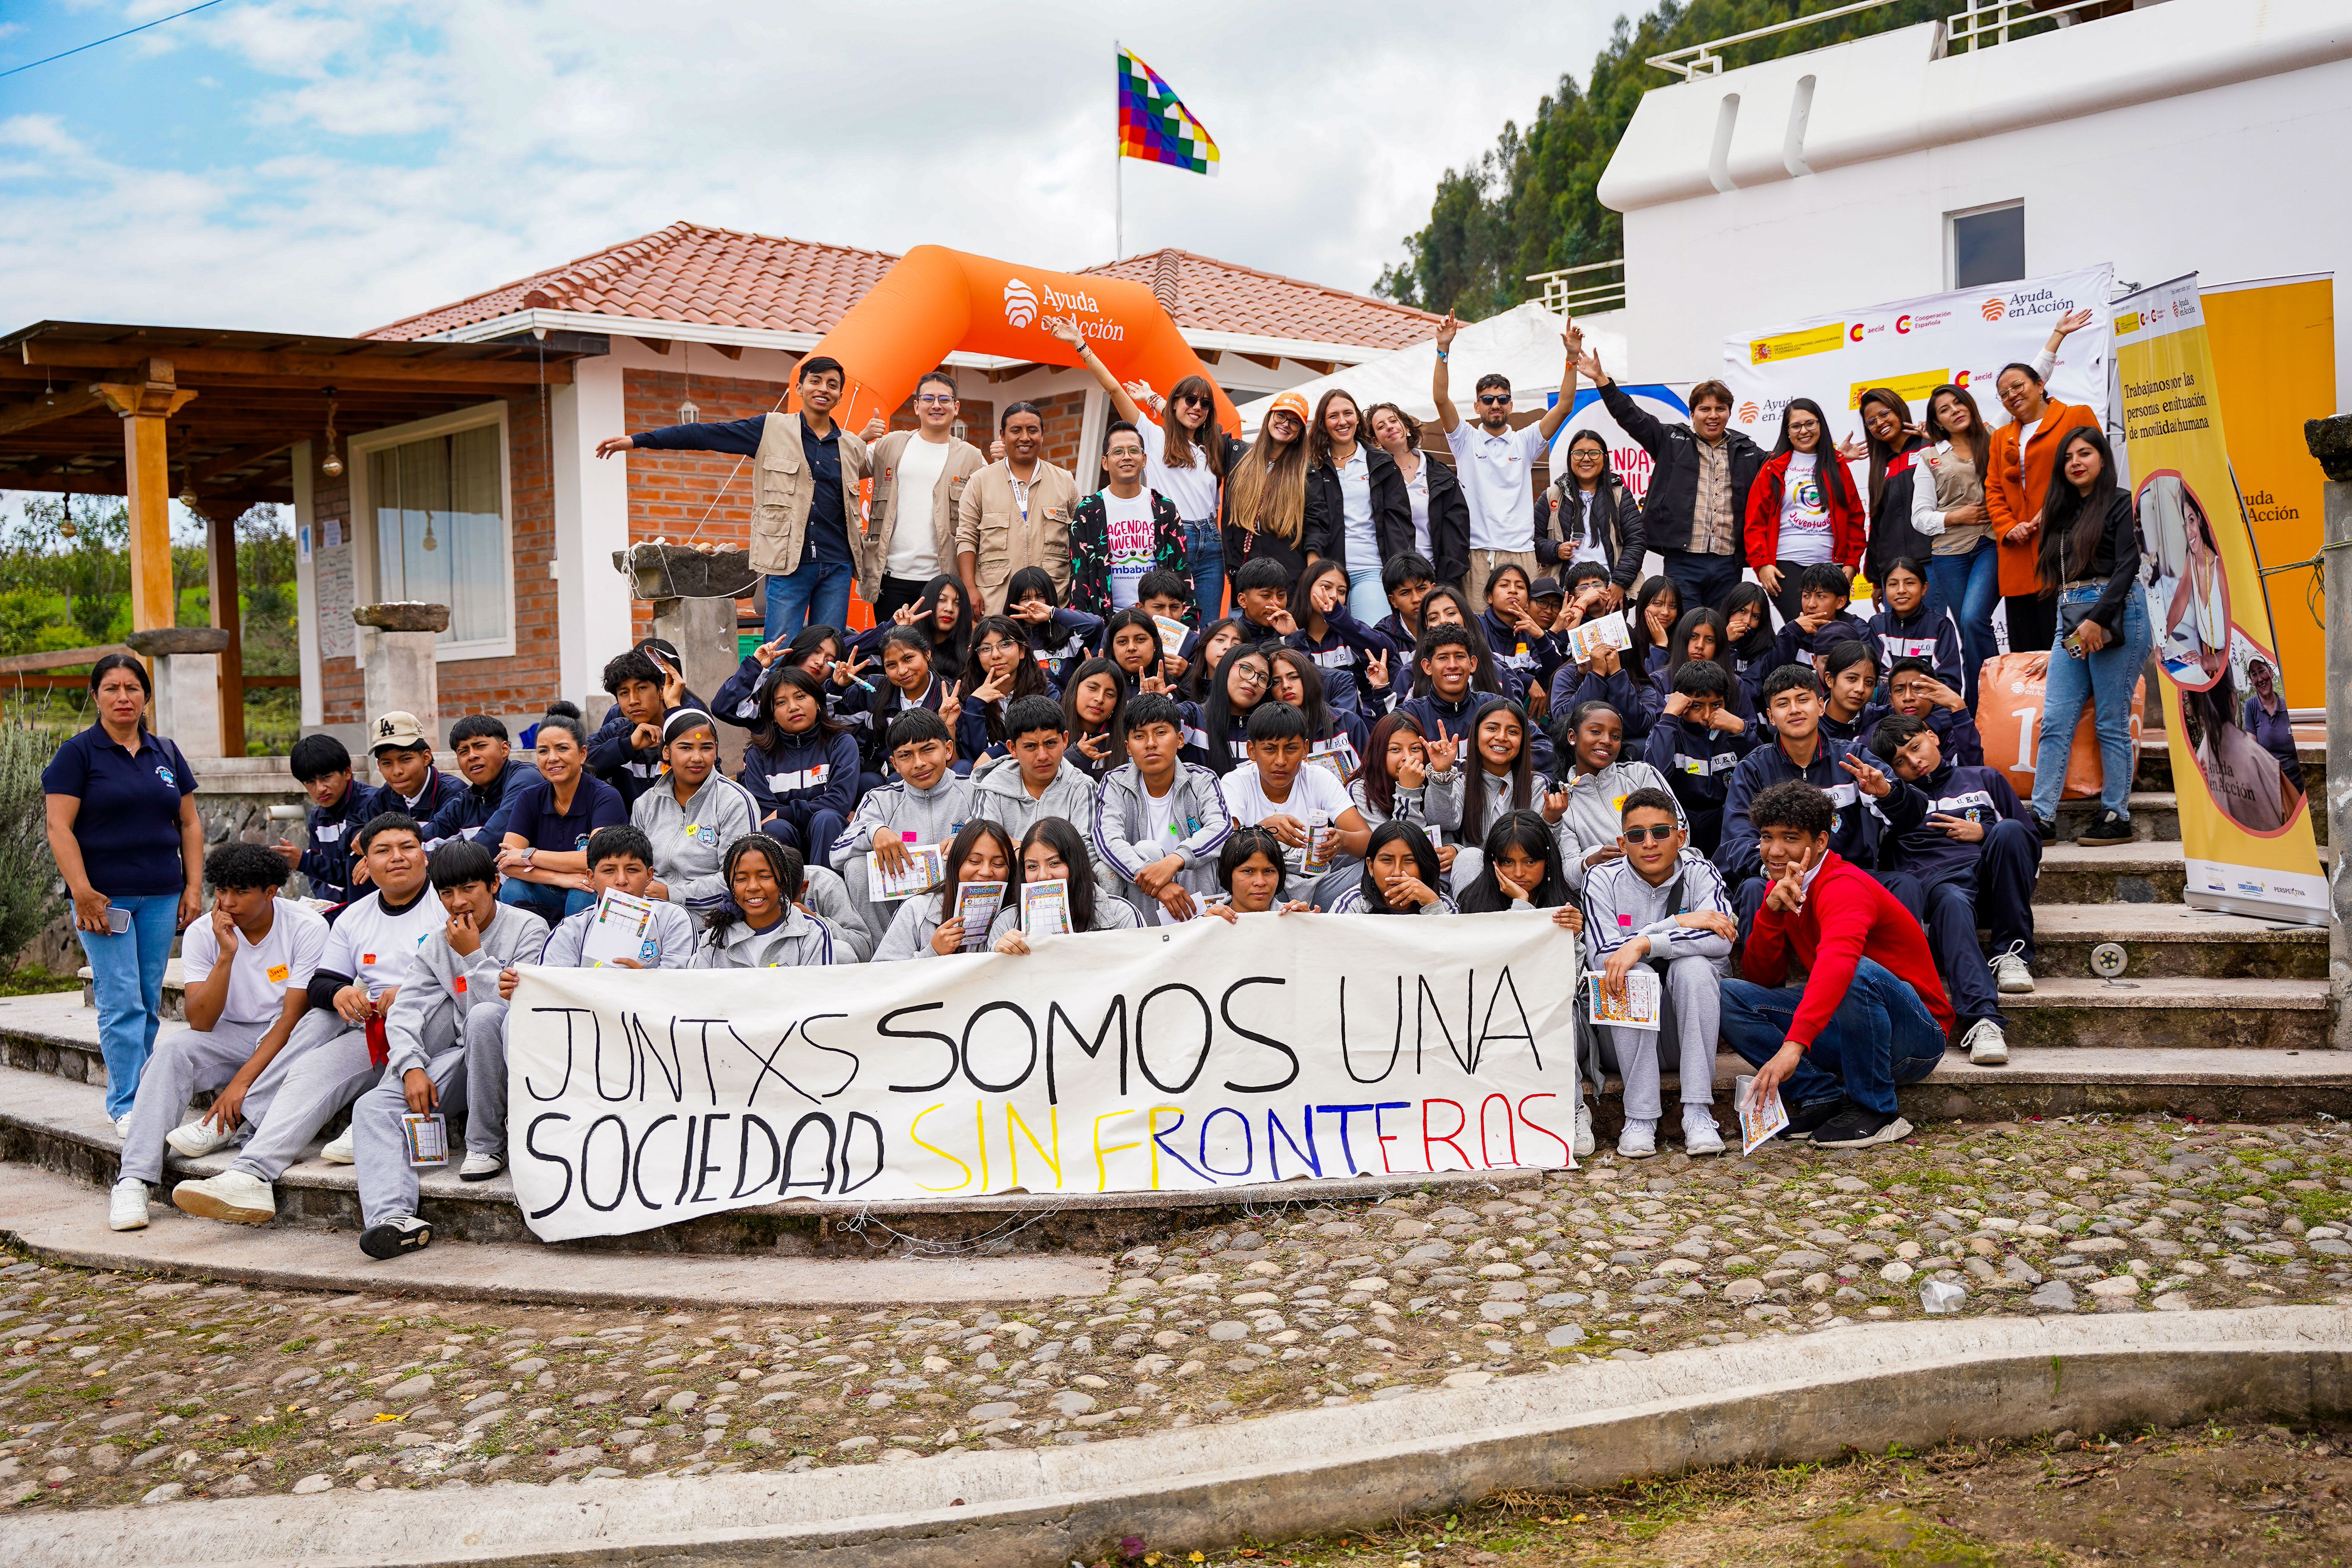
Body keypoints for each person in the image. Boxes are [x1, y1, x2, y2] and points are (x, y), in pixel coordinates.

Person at [164, 813, 440, 1223]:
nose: (396, 858)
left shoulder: (449, 901)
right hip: (376, 1031)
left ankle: (259, 1122)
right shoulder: (355, 917)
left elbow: (476, 974)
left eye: (408, 847)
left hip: (435, 1027)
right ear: (366, 862)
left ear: (426, 856)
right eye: (382, 850)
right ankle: (251, 1174)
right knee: (312, 1059)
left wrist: (415, 990)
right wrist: (342, 992)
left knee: (397, 1012)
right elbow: (322, 982)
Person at [345, 837, 551, 1258]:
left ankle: (486, 1144)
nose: (458, 903)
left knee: (483, 1018)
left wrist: (474, 956)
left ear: (495, 884)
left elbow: (523, 1011)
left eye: (468, 889)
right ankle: (394, 1218)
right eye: (446, 893)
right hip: (459, 1062)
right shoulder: (437, 943)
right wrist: (410, 1068)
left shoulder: (529, 928)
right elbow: (405, 1012)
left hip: (515, 1065)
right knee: (371, 1108)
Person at [106, 843, 326, 1232]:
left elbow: (293, 1016)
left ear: (271, 892)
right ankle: (133, 1179)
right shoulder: (201, 934)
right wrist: (226, 954)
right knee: (172, 1050)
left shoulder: (306, 927)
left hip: (287, 1034)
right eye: (221, 890)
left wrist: (239, 1086)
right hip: (231, 1035)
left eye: (241, 891)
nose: (227, 902)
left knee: (318, 1026)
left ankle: (234, 1125)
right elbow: (202, 1022)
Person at [462, 825, 698, 1187]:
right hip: (580, 1035)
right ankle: (496, 1139)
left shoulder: (671, 919)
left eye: (632, 870)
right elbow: (547, 993)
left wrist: (648, 982)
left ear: (650, 876)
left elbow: (684, 991)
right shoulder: (574, 928)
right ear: (590, 877)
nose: (621, 881)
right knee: (492, 1017)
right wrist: (517, 988)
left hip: (644, 1035)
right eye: (608, 870)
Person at [1725, 780, 1954, 1150]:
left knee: (1854, 971)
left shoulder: (1843, 885)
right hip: (1848, 1031)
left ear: (1819, 841)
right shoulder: (1780, 887)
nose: (1775, 850)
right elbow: (1761, 978)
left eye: (1790, 838)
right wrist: (1769, 915)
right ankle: (1821, 1095)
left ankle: (1878, 1110)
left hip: (1914, 1040)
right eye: (1766, 837)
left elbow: (1837, 964)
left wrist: (1792, 1047)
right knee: (1726, 993)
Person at [596, 354, 868, 642]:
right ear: (799, 389)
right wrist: (638, 440)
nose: (823, 389)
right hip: (789, 564)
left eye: (832, 385)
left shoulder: (850, 445)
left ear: (840, 396)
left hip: (837, 566)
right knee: (778, 655)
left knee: (828, 654)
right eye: (815, 381)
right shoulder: (770, 429)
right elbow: (704, 434)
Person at [43, 652, 204, 1130]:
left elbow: (190, 823)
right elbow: (59, 827)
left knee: (148, 1000)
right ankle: (127, 1105)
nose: (123, 697)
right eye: (111, 688)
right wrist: (83, 891)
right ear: (95, 695)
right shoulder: (78, 754)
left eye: (132, 688)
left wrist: (193, 887)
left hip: (160, 894)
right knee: (121, 1003)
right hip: (103, 901)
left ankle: (146, 1095)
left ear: (145, 697)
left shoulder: (166, 753)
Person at [1873, 712, 2040, 1068]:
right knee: (1950, 900)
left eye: (1916, 747)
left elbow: (2029, 842)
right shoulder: (1892, 803)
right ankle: (1983, 1021)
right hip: (1940, 891)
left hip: (1992, 881)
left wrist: (1986, 831)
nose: (1913, 762)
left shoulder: (1983, 778)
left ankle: (2011, 952)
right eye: (1900, 761)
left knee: (2009, 830)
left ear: (1932, 736)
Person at [1581, 787, 1736, 1158]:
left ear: (1680, 836)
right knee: (1632, 975)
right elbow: (1603, 956)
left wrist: (1645, 944)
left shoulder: (1701, 872)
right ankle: (1639, 1117)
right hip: (1622, 1041)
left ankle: (1698, 1113)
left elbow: (1721, 941)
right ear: (1623, 842)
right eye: (1636, 835)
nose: (1648, 843)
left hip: (1689, 1035)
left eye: (1660, 832)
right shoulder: (1601, 879)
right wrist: (1676, 922)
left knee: (1696, 968)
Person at [1718, 666, 1922, 928]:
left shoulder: (1853, 758)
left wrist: (1887, 793)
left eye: (1803, 700)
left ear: (1821, 706)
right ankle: (1758, 969)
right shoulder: (1754, 769)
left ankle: (1903, 970)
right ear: (1770, 716)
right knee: (1754, 888)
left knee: (1904, 884)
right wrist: (1770, 871)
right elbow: (1737, 840)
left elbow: (1914, 814)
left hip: (1847, 876)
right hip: (1781, 879)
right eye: (1783, 704)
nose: (1794, 710)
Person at [2028, 426, 2151, 847]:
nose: (2076, 462)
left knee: (2110, 720)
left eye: (2085, 454)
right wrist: (2065, 637)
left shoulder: (2120, 502)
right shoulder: (2060, 512)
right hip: (2074, 620)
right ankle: (2042, 818)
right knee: (2056, 719)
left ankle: (2116, 814)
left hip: (2118, 614)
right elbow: (2060, 582)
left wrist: (2098, 619)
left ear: (2102, 458)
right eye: (2068, 457)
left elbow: (2127, 565)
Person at [1063, 326, 1240, 619]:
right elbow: (1115, 390)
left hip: (1211, 543)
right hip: (1174, 537)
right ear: (1176, 402)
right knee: (1168, 625)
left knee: (1208, 630)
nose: (1198, 408)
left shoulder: (1212, 448)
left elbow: (1182, 414)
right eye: (1190, 400)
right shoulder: (1155, 438)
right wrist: (1081, 345)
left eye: (1205, 404)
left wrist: (1154, 398)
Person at [1582, 350, 1765, 614]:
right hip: (1683, 560)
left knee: (1721, 631)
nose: (1712, 415)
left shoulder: (1747, 451)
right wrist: (1601, 379)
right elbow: (1631, 415)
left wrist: (1837, 454)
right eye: (1705, 409)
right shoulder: (1671, 440)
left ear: (1729, 413)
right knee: (1683, 629)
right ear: (1692, 414)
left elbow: (1788, 461)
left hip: (1729, 563)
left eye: (1720, 409)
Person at [1433, 312, 1582, 606]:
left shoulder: (1524, 440)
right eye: (1488, 399)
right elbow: (1440, 398)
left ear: (1511, 404)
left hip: (1521, 552)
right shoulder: (1465, 439)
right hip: (1476, 552)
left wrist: (1572, 357)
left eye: (1502, 398)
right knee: (1478, 633)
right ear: (1477, 406)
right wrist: (1443, 349)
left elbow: (1564, 406)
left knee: (1523, 628)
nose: (1495, 404)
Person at [1984, 309, 2099, 654]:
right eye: (2003, 393)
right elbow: (1992, 489)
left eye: (2017, 386)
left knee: (2068, 647)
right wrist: (2008, 527)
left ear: (2039, 384)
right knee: (2026, 652)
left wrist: (2054, 512)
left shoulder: (2076, 416)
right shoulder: (2000, 436)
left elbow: (2094, 475)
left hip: (2067, 546)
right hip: (2019, 552)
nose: (2011, 395)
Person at [829, 706, 978, 940]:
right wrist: (875, 832)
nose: (918, 763)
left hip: (960, 907)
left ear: (948, 749)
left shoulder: (974, 790)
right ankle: (884, 951)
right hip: (898, 913)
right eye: (906, 755)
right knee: (857, 867)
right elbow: (837, 853)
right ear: (895, 764)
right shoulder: (881, 799)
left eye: (928, 750)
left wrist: (965, 840)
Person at [1092, 690, 1233, 922]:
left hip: (1197, 892)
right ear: (1128, 748)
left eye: (1160, 733)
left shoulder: (1202, 779)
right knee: (1147, 851)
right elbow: (1108, 840)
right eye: (1140, 737)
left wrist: (1175, 861)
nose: (1151, 744)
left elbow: (1221, 827)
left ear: (1179, 740)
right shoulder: (1115, 783)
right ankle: (1147, 936)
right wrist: (1156, 882)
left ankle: (1202, 927)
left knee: (1196, 857)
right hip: (1142, 899)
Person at [860, 369, 987, 621]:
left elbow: (993, 505)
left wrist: (1004, 462)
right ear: (917, 406)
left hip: (943, 583)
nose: (936, 406)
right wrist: (861, 439)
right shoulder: (890, 444)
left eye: (944, 400)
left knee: (939, 658)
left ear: (956, 407)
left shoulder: (972, 458)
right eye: (928, 399)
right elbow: (843, 468)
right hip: (891, 578)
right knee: (892, 651)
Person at [972, 694, 1120, 899]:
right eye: (1031, 746)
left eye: (1051, 743)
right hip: (1008, 880)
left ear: (1065, 740)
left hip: (1063, 885)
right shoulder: (991, 786)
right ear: (1013, 748)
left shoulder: (1081, 787)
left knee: (1106, 872)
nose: (1042, 755)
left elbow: (1083, 849)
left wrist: (1022, 851)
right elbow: (982, 840)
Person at [1221, 701, 1370, 901]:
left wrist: (1341, 840)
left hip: (1317, 888)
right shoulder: (1236, 781)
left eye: (1291, 749)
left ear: (1305, 749)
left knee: (1376, 867)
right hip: (1260, 892)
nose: (1281, 760)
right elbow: (1224, 847)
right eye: (1270, 750)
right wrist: (1261, 831)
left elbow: (1368, 840)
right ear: (1251, 751)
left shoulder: (1319, 778)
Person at [491, 709, 627, 926]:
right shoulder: (529, 797)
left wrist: (529, 855)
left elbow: (596, 860)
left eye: (562, 748)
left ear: (583, 754)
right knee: (513, 889)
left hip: (591, 890)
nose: (552, 758)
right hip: (549, 888)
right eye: (543, 751)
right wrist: (559, 878)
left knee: (581, 893)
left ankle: (578, 957)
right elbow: (506, 861)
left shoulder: (605, 797)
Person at [1912, 382, 2002, 706]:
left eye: (1958, 403)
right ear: (1937, 423)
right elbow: (1920, 518)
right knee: (1967, 632)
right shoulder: (1929, 457)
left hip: (1990, 544)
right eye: (1945, 410)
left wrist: (2057, 335)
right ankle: (1977, 709)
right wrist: (1956, 517)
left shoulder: (1994, 435)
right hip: (1949, 554)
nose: (1955, 411)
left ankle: (1992, 699)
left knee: (1972, 618)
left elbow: (2025, 386)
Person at [1745, 398, 1866, 627]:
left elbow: (1855, 520)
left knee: (1830, 632)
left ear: (1821, 425)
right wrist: (1762, 565)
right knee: (1804, 628)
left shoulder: (1838, 466)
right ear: (1787, 431)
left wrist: (1851, 562)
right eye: (1796, 426)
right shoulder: (1773, 467)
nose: (1804, 431)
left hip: (1832, 566)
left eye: (1810, 424)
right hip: (1785, 567)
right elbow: (1755, 521)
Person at [1542, 701, 1683, 891]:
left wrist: (1641, 855)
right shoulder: (1563, 803)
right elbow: (1567, 873)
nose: (1607, 741)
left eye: (1615, 736)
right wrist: (1593, 860)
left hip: (1669, 879)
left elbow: (1681, 829)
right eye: (1596, 732)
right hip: (1615, 893)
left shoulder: (1640, 775)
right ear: (1573, 737)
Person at [633, 707, 757, 919]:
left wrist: (673, 894)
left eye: (706, 748)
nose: (697, 758)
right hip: (651, 913)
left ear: (716, 750)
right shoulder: (646, 804)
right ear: (666, 752)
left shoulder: (735, 801)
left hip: (712, 919)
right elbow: (635, 868)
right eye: (686, 748)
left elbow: (741, 878)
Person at [1299, 389, 1410, 624]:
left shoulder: (1382, 463)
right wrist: (1315, 572)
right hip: (1329, 572)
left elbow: (1399, 524)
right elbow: (1313, 521)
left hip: (1371, 569)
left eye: (1348, 413)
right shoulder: (1312, 466)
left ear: (1358, 418)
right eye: (1333, 416)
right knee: (1330, 649)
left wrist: (1400, 574)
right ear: (1323, 423)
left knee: (1372, 639)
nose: (1342, 422)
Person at [958, 401, 1080, 615]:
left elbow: (1080, 542)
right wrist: (969, 589)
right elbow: (966, 538)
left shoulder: (1065, 482)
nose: (1025, 438)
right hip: (996, 604)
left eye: (1032, 430)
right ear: (1002, 436)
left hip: (1052, 604)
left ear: (1042, 435)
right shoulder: (980, 482)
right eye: (1016, 431)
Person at [1426, 696, 1559, 892]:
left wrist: (1552, 820)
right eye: (1492, 729)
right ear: (1476, 734)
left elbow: (1542, 850)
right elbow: (1444, 821)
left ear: (1523, 741)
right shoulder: (1460, 778)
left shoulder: (1537, 784)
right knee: (1468, 858)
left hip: (1524, 882)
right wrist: (1441, 774)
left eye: (1513, 732)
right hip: (1477, 884)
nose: (1502, 737)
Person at [1064, 419, 1187, 619]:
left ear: (1144, 459)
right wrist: (1082, 627)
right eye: (1118, 452)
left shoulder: (1165, 509)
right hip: (1107, 621)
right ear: (1105, 462)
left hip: (1158, 621)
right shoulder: (1088, 511)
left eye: (1134, 451)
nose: (1127, 457)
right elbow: (1080, 577)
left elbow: (1182, 573)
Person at [1640, 658, 1755, 859]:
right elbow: (1653, 775)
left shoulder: (1735, 731)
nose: (1707, 715)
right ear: (1683, 704)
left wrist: (1742, 730)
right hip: (1680, 821)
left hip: (1724, 823)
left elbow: (1764, 773)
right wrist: (1669, 716)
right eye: (1697, 706)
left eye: (1716, 705)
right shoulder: (1669, 732)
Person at [738, 666, 859, 856]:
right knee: (775, 828)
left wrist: (785, 812)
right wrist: (782, 817)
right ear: (773, 715)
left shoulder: (841, 743)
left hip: (828, 835)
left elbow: (839, 802)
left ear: (818, 703)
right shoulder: (758, 755)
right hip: (786, 838)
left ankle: (827, 886)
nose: (793, 707)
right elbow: (764, 812)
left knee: (827, 819)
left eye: (800, 697)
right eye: (781, 703)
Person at [989, 817, 1146, 949]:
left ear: (1076, 865)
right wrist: (997, 956)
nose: (1043, 876)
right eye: (1032, 867)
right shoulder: (1006, 922)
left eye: (1055, 863)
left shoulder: (1122, 916)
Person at [874, 819, 1019, 960]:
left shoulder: (1015, 917)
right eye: (975, 861)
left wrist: (1001, 957)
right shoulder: (917, 910)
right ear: (956, 863)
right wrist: (933, 951)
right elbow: (882, 976)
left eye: (999, 864)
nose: (986, 872)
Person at [1849, 389, 1937, 616]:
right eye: (1871, 421)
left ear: (1899, 411)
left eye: (1885, 413)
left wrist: (1940, 439)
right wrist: (1877, 581)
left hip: (1933, 561)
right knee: (1901, 641)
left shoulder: (1929, 446)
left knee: (1935, 632)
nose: (1880, 423)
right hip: (1893, 570)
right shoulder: (1879, 466)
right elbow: (1878, 526)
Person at [694, 835, 842, 967]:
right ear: (730, 885)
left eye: (765, 876)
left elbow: (817, 994)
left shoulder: (813, 933)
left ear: (783, 880)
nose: (753, 887)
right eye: (741, 879)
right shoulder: (713, 939)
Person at [1368, 403, 1468, 591]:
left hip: (1439, 578)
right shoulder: (1374, 478)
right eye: (1381, 426)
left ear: (1406, 428)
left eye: (1393, 421)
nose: (1389, 427)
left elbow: (1457, 533)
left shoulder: (1441, 475)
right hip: (1396, 582)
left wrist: (1447, 583)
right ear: (1376, 441)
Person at [1538, 428, 1643, 606]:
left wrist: (1619, 583)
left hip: (1609, 592)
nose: (1586, 459)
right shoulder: (1552, 496)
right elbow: (1533, 542)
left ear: (1605, 458)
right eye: (1578, 453)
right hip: (1566, 593)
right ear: (1570, 458)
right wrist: (1556, 550)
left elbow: (1637, 541)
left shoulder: (1620, 495)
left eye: (1594, 453)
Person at [1223, 391, 1314, 587]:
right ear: (1270, 417)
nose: (1285, 424)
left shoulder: (1306, 473)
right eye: (1281, 415)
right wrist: (1156, 401)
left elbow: (1316, 527)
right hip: (1244, 582)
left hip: (1287, 584)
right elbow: (1201, 431)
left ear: (1300, 433)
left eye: (1294, 422)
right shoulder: (1237, 455)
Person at [1286, 558, 1395, 721]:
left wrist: (1339, 619)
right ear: (1307, 588)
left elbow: (1387, 650)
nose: (1333, 596)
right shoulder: (1288, 635)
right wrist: (1295, 637)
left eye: (1342, 592)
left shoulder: (1350, 631)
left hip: (1355, 727)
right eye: (1326, 587)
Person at [1453, 810, 1585, 936]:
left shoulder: (1566, 907)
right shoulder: (1476, 905)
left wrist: (1572, 938)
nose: (1519, 873)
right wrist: (1521, 901)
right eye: (1508, 862)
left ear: (1548, 860)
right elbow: (1500, 953)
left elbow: (1572, 960)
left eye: (1531, 862)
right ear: (1493, 861)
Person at [586, 649, 685, 812]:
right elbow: (580, 766)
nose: (633, 701)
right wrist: (628, 746)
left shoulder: (690, 727)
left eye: (641, 688)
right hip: (626, 834)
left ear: (661, 690)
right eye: (624, 693)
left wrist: (674, 708)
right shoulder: (616, 731)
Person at [280, 732, 374, 904]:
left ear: (347, 772)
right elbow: (319, 882)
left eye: (326, 778)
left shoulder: (373, 805)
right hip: (333, 910)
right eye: (310, 782)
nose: (320, 789)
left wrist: (305, 861)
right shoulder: (317, 818)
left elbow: (359, 875)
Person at [955, 615, 1055, 766]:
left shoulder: (1046, 692)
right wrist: (975, 707)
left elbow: (1039, 741)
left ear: (1022, 651)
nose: (996, 655)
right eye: (986, 649)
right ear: (977, 657)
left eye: (1005, 645)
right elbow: (975, 759)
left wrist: (998, 751)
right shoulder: (966, 695)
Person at [428, 715, 533, 848]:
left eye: (480, 746)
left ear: (505, 749)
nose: (472, 756)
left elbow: (494, 840)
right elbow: (423, 837)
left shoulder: (526, 779)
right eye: (463, 752)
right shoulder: (466, 802)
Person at [1863, 556, 1963, 693]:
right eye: (1893, 584)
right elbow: (1876, 677)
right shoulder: (1877, 625)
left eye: (1909, 583)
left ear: (1924, 588)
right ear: (1885, 590)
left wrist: (1916, 696)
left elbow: (1949, 682)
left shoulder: (1940, 626)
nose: (1901, 590)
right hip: (1889, 709)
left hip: (1931, 708)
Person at [1267, 645, 1371, 774]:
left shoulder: (1347, 722)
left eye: (1293, 677)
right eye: (1276, 682)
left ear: (1308, 678)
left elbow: (1373, 778)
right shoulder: (1267, 733)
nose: (1286, 686)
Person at [1478, 562, 1566, 711]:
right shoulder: (1477, 624)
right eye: (1505, 585)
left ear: (1527, 602)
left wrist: (1540, 636)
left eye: (1520, 587)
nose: (1513, 591)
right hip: (1483, 707)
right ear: (1490, 597)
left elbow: (1558, 675)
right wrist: (1527, 680)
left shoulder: (1531, 634)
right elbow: (1483, 659)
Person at [1005, 566, 1105, 690]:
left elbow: (1095, 624)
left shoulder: (1068, 637)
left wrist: (1053, 614)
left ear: (1050, 597)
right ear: (1014, 603)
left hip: (1064, 708)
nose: (1034, 604)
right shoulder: (1006, 640)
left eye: (1040, 597)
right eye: (1026, 599)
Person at [363, 712, 464, 833]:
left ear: (426, 758)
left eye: (406, 760)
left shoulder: (453, 795)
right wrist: (358, 836)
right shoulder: (387, 794)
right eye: (387, 763)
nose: (397, 772)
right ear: (379, 766)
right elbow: (356, 825)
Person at [1328, 820, 1455, 915]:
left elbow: (1454, 947)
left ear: (1423, 866)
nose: (1397, 872)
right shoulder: (1352, 906)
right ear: (1371, 867)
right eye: (1387, 860)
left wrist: (1432, 906)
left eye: (1409, 860)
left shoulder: (1443, 905)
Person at [1765, 563, 1868, 675]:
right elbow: (1769, 675)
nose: (1811, 605)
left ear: (1840, 602)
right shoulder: (1793, 631)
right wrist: (1793, 632)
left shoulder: (1858, 630)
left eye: (1821, 596)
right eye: (1806, 596)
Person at [1882, 656, 1985, 767]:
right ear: (1891, 701)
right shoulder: (1881, 734)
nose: (1908, 697)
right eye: (1899, 690)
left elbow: (1973, 770)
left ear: (1935, 694)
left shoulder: (1953, 735)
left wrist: (1958, 707)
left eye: (1917, 688)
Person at [1190, 641, 1275, 774]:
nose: (1254, 681)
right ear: (1226, 667)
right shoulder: (1194, 717)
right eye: (1247, 669)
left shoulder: (1269, 731)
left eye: (1263, 678)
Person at [1061, 656, 1129, 779]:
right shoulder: (1051, 727)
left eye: (1110, 694)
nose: (1100, 699)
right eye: (1093, 688)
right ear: (1075, 688)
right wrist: (1076, 757)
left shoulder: (1126, 738)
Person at [1816, 639, 1881, 745]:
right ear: (1829, 679)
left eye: (1869, 682)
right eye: (1852, 679)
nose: (1860, 689)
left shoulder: (1878, 718)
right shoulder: (1810, 722)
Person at [2244, 657, 2300, 777]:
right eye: (2254, 675)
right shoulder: (2251, 707)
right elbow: (2253, 751)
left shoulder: (2288, 706)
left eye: (2262, 671)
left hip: (2297, 782)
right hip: (2271, 782)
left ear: (2271, 671)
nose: (2260, 679)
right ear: (2252, 680)